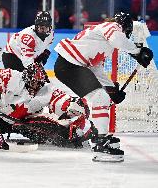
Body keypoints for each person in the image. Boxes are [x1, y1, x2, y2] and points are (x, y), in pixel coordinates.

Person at [53, 12, 153, 162]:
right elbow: (117, 39)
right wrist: (137, 52)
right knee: (100, 97)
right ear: (125, 28)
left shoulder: (103, 41)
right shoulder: (112, 27)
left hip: (69, 66)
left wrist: (112, 89)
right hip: (69, 65)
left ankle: (101, 136)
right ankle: (100, 142)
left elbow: (96, 68)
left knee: (103, 97)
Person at [0, 63, 94, 147]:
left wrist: (73, 105)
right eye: (34, 82)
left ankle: (70, 134)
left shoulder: (45, 89)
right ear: (26, 78)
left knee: (51, 126)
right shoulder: (13, 77)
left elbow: (61, 99)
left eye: (39, 83)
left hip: (22, 122)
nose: (36, 86)